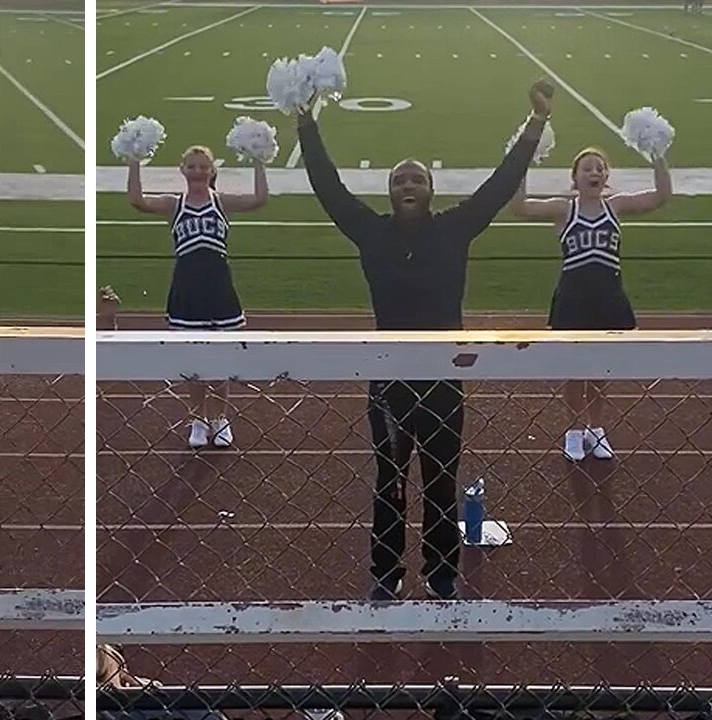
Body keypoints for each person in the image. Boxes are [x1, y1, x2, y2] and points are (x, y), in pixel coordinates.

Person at [297, 80, 555, 601]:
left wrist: (536, 123)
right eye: (399, 180)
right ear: (390, 192)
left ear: (430, 190)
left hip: (444, 379)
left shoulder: (453, 229)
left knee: (440, 481)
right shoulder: (371, 232)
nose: (407, 184)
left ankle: (441, 573)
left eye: (416, 178)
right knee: (389, 484)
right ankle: (385, 574)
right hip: (389, 379)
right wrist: (305, 123)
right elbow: (328, 188)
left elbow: (501, 185)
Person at [509, 146, 672, 461]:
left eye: (600, 168)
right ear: (575, 177)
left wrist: (657, 154)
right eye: (587, 168)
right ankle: (572, 431)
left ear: (606, 176)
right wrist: (524, 165)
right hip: (573, 298)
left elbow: (660, 196)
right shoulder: (563, 209)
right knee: (574, 369)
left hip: (608, 296)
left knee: (599, 368)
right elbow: (520, 208)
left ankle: (595, 430)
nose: (594, 172)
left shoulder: (617, 206)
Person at [126, 145, 268, 448]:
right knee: (194, 362)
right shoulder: (173, 205)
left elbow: (259, 200)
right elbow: (137, 201)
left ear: (212, 170)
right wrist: (134, 161)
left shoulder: (222, 202)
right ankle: (198, 420)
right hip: (187, 288)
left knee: (220, 360)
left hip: (218, 287)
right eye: (192, 166)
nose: (198, 172)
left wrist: (259, 160)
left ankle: (220, 419)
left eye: (203, 166)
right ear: (182, 170)